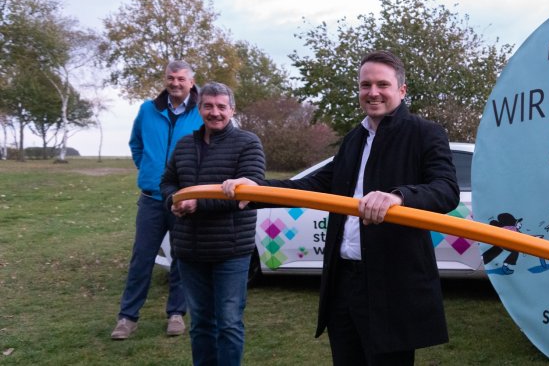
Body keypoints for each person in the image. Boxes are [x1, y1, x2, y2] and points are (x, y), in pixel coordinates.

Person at [222, 50, 459, 365]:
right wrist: (256, 189)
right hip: (343, 284)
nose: (372, 92)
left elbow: (446, 190)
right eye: (365, 85)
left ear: (401, 90)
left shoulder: (425, 134)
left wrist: (399, 197)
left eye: (382, 85)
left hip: (390, 286)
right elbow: (309, 187)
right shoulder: (353, 141)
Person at [161, 82, 265, 365]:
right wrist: (174, 200)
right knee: (200, 324)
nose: (215, 112)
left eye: (221, 106)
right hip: (189, 250)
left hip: (230, 251)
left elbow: (248, 192)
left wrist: (197, 203)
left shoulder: (248, 142)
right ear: (199, 109)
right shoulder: (184, 145)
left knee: (229, 323)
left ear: (232, 110)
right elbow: (168, 182)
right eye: (208, 106)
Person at [111, 60, 202, 340]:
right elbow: (136, 144)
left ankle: (176, 313)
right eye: (170, 78)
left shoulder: (201, 113)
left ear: (191, 82)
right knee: (142, 258)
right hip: (151, 198)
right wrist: (149, 170)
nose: (175, 83)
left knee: (181, 258)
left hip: (183, 198)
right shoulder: (147, 110)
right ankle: (127, 317)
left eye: (180, 79)